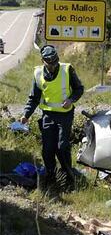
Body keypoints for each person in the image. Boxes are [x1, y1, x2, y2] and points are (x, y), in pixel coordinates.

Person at [20, 45, 84, 191]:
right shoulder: (37, 73)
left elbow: (79, 88)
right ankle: (51, 178)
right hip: (48, 115)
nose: (53, 66)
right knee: (48, 149)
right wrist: (26, 115)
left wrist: (71, 100)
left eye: (55, 62)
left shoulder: (67, 69)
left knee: (62, 147)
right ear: (43, 61)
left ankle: (69, 178)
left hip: (65, 114)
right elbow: (34, 98)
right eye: (50, 63)